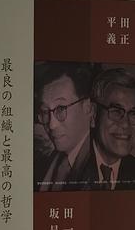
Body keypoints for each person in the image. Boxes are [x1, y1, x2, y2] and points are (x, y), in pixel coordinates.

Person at [34, 62, 97, 191]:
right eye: (45, 111)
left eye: (61, 108)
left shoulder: (101, 165)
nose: (52, 125)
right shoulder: (49, 161)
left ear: (88, 108)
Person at [90, 67, 135, 190]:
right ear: (93, 115)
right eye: (116, 111)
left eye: (134, 113)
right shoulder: (70, 168)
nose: (125, 124)